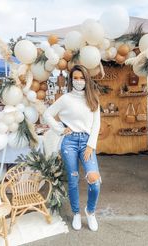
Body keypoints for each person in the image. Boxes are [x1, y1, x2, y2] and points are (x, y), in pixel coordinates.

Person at [43, 65, 101, 231]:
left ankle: (90, 211)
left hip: (87, 142)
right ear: (71, 80)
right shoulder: (65, 99)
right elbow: (47, 114)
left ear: (86, 79)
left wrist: (91, 145)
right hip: (69, 142)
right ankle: (76, 213)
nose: (78, 81)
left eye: (81, 77)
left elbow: (96, 124)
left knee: (94, 181)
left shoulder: (93, 98)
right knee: (73, 180)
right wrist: (60, 130)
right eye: (75, 78)